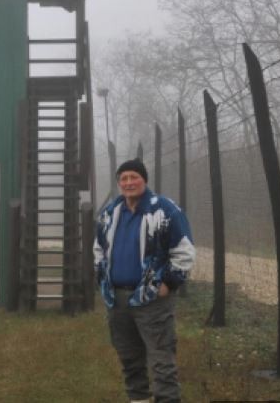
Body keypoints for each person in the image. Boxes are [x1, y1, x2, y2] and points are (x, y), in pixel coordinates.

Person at [94, 158, 196, 403]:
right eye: (124, 178)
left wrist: (168, 284)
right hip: (117, 300)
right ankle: (138, 399)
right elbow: (98, 249)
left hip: (153, 301)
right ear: (119, 183)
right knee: (129, 359)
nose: (129, 182)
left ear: (144, 180)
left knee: (161, 361)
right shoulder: (109, 213)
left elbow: (184, 251)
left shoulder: (165, 210)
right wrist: (102, 279)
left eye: (134, 177)